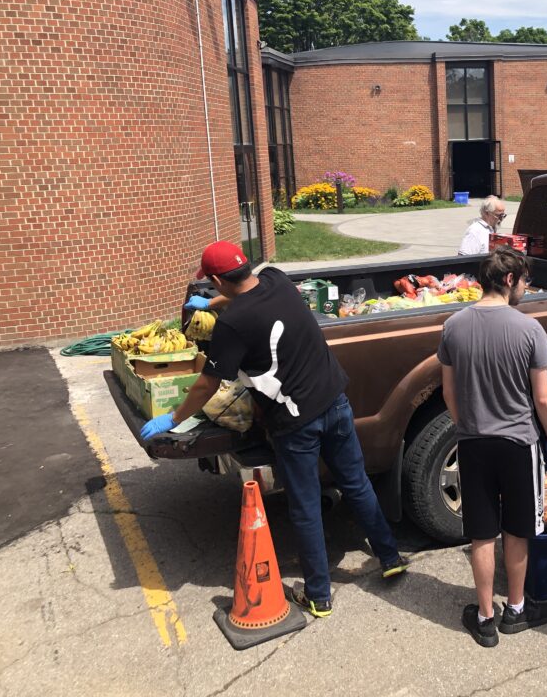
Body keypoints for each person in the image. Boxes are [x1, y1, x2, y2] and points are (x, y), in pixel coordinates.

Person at [139, 240, 407, 618]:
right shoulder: (277, 279)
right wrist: (212, 304)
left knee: (306, 505)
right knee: (356, 483)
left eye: (212, 287)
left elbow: (208, 383)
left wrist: (174, 418)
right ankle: (389, 556)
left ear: (216, 279)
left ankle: (319, 595)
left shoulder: (232, 326)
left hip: (296, 422)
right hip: (335, 400)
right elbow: (246, 297)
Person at [437, 246, 547, 647]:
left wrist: (464, 425)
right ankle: (516, 609)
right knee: (517, 531)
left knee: (481, 535)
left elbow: (448, 389)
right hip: (518, 444)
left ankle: (486, 618)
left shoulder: (453, 326)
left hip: (473, 444)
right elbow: (543, 398)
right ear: (509, 280)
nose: (526, 287)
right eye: (524, 280)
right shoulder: (529, 329)